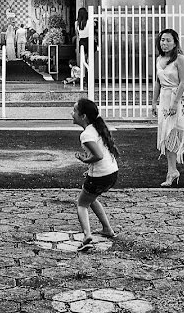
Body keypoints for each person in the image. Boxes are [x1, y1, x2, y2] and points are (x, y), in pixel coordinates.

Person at [150, 29, 184, 187]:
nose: (164, 43)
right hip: (165, 99)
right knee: (167, 134)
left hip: (178, 99)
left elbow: (183, 82)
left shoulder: (179, 59)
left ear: (175, 42)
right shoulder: (159, 59)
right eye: (162, 40)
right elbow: (158, 82)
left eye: (168, 40)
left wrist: (175, 103)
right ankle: (172, 171)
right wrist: (154, 102)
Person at [71, 98, 118, 252]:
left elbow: (98, 155)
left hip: (100, 176)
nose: (72, 114)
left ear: (83, 116)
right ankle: (107, 229)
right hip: (111, 173)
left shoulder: (86, 134)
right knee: (91, 198)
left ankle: (86, 236)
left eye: (74, 111)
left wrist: (85, 161)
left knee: (82, 204)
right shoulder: (96, 128)